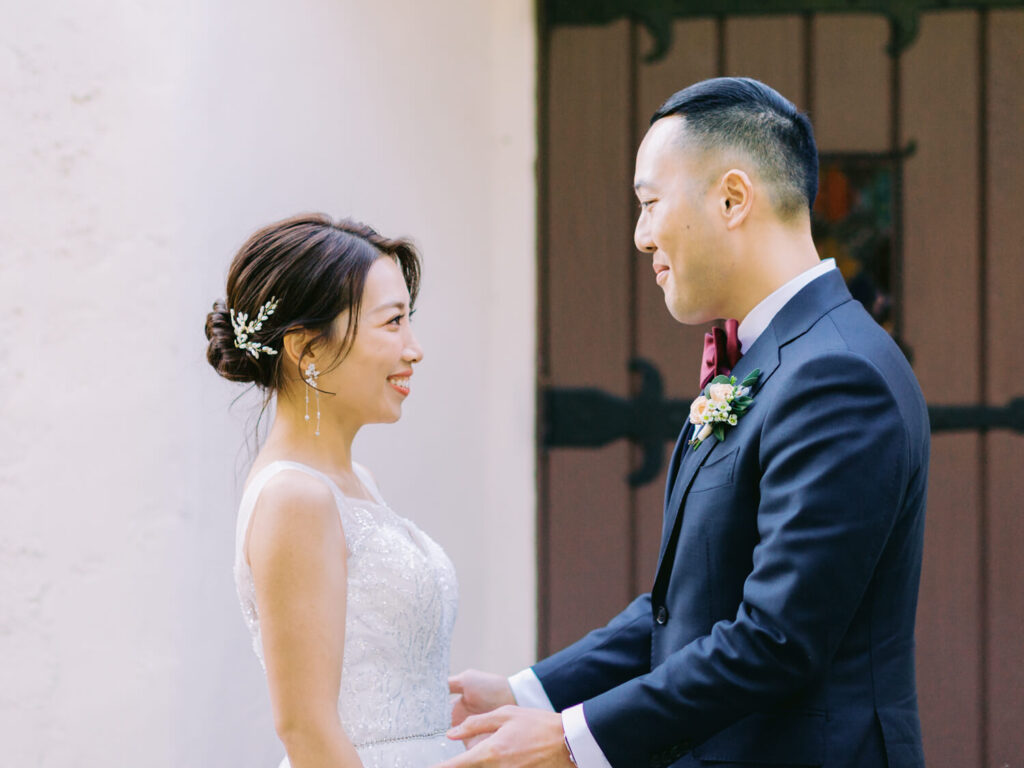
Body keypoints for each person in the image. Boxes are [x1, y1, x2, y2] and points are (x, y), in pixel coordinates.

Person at [441, 78, 929, 768]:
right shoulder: (773, 359)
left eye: (648, 203)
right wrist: (531, 693)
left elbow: (775, 639)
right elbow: (688, 606)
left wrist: (571, 740)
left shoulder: (837, 374)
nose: (641, 237)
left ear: (732, 198)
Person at [205, 214, 464, 767]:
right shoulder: (295, 499)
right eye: (392, 323)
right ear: (307, 350)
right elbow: (305, 730)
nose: (414, 349)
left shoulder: (354, 483)